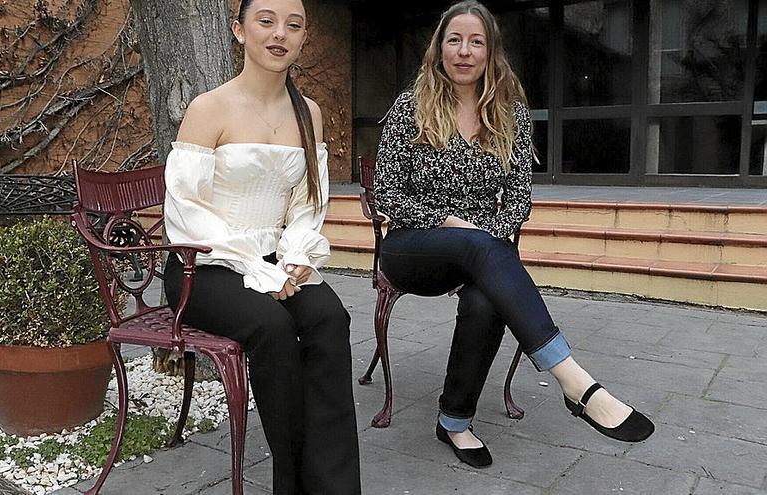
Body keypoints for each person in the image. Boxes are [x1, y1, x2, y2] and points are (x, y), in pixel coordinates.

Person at [374, 0, 654, 468]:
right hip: (413, 247)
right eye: (454, 40)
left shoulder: (511, 114)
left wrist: (480, 243)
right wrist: (455, 228)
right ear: (439, 48)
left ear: (491, 51)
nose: (464, 51)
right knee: (476, 243)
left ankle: (454, 422)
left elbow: (519, 199)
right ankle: (574, 381)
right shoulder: (410, 108)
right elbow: (386, 193)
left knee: (485, 301)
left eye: (476, 41)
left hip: (482, 251)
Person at [161, 0, 361, 493]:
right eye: (266, 21)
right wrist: (256, 267)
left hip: (277, 260)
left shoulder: (307, 112)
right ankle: (289, 483)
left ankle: (334, 484)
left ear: (303, 38)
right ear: (239, 30)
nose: (280, 34)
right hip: (202, 265)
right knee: (271, 327)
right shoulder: (209, 108)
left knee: (329, 318)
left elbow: (307, 201)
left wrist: (294, 258)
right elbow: (185, 210)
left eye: (293, 25)